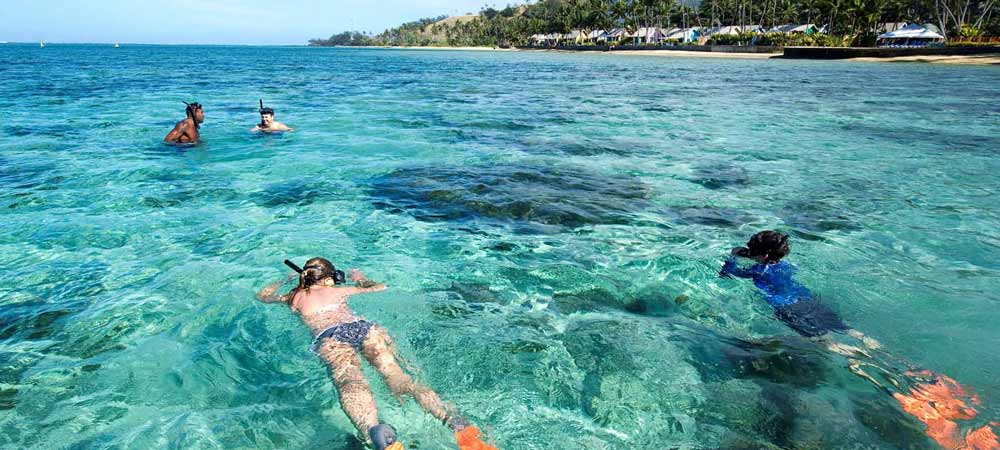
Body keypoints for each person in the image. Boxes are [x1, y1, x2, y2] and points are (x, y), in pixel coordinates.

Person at [721, 231, 998, 450]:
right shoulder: (785, 266)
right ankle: (896, 359)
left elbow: (730, 273)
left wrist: (733, 258)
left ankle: (871, 368)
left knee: (829, 344)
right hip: (812, 302)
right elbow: (774, 267)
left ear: (763, 254)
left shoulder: (760, 271)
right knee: (853, 333)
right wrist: (757, 255)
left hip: (791, 309)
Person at [257, 258, 496, 450]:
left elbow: (262, 296)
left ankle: (374, 432)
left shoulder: (293, 297)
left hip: (330, 336)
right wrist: (360, 279)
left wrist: (283, 279)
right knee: (399, 378)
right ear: (330, 279)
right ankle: (455, 423)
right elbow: (380, 287)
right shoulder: (339, 292)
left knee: (350, 381)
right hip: (363, 327)